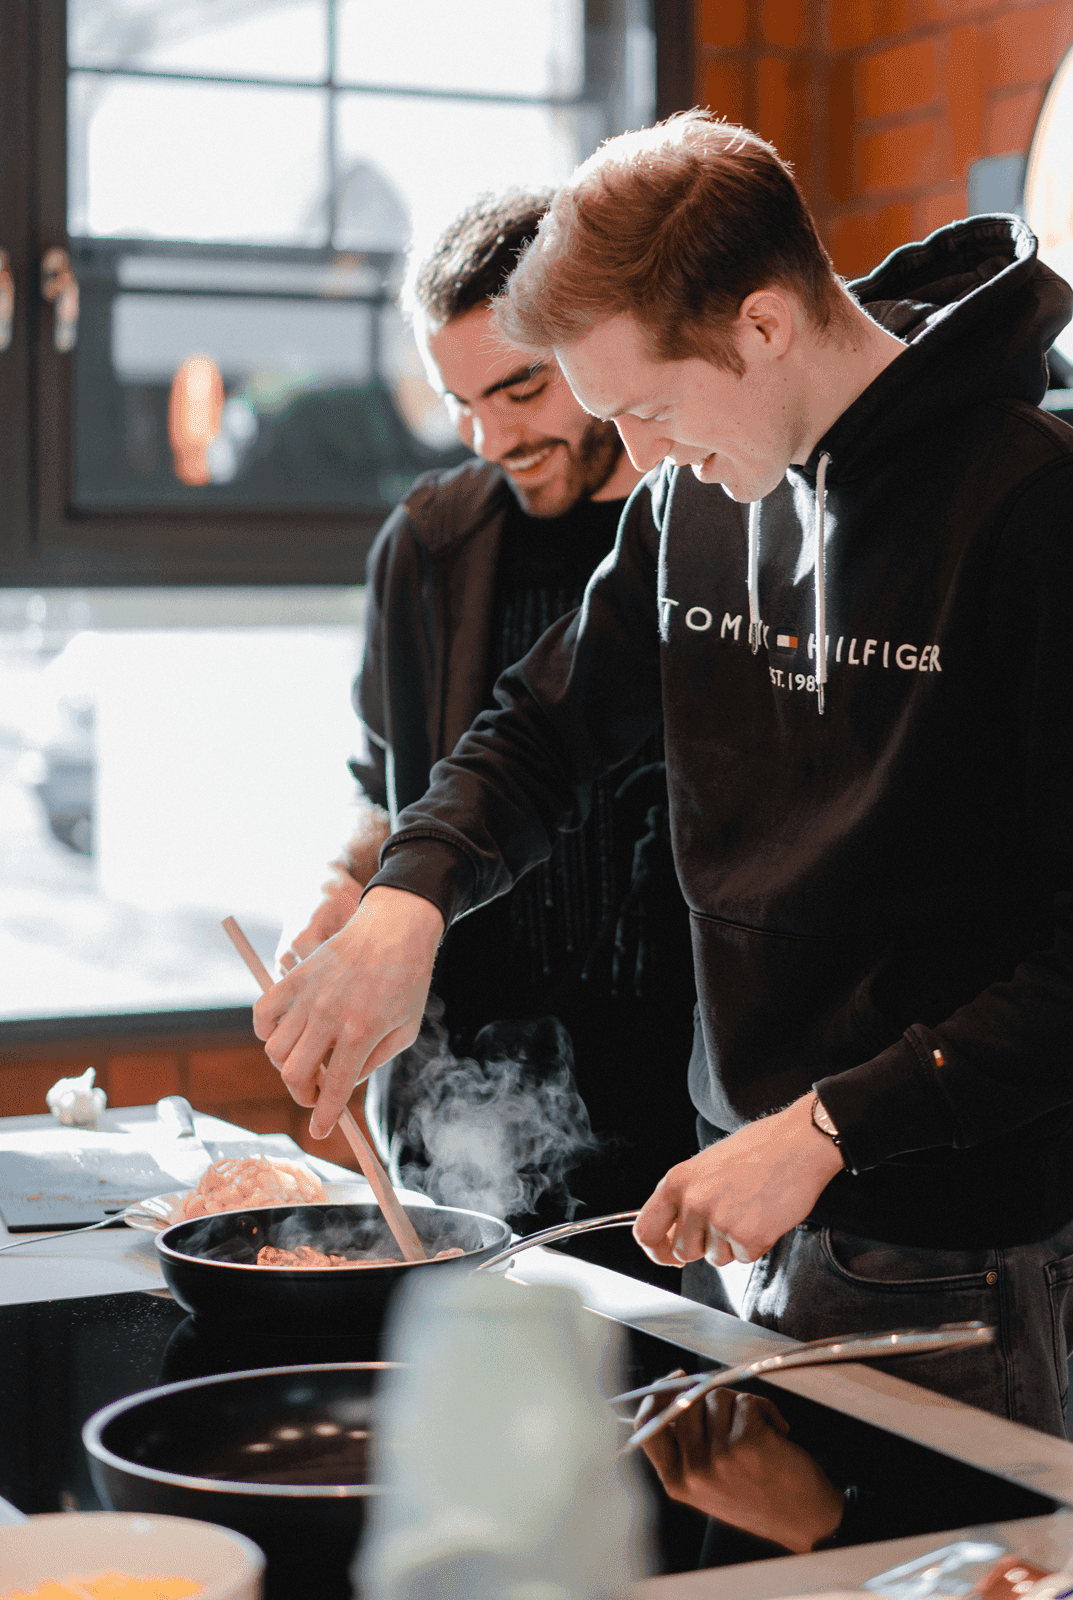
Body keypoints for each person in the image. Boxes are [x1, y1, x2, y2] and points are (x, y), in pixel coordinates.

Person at [256, 113, 1073, 1433]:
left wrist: (830, 1129)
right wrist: (406, 905)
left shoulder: (1046, 519)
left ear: (764, 327)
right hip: (732, 1216)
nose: (638, 463)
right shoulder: (691, 498)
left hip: (942, 1251)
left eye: (646, 409)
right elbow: (539, 736)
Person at [276, 189, 696, 1273]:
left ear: (598, 344)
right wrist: (343, 889)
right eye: (459, 402)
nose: (493, 437)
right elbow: (386, 787)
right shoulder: (427, 545)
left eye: (521, 388)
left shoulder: (709, 518)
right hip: (460, 1119)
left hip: (685, 1136)